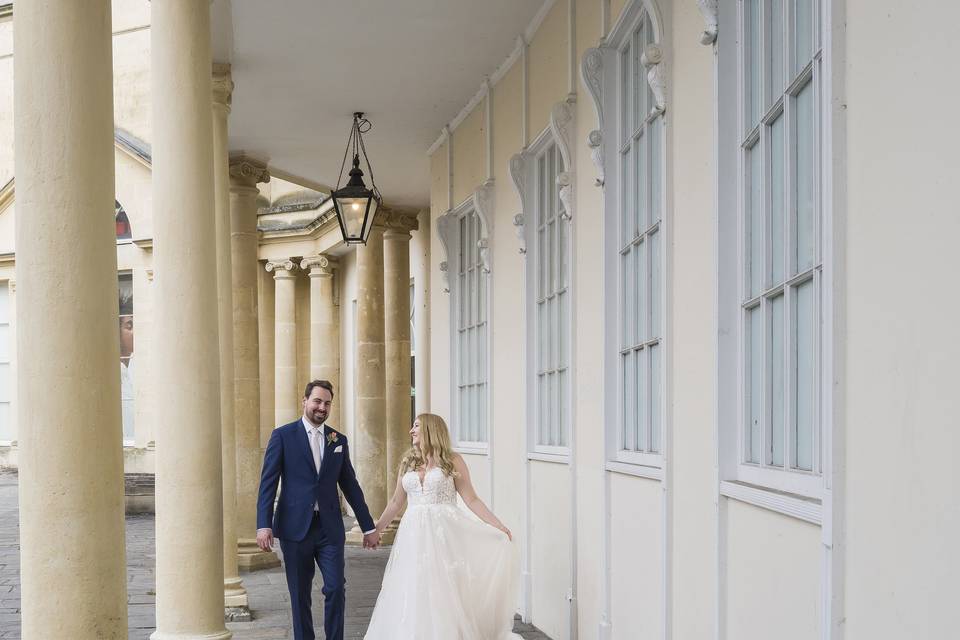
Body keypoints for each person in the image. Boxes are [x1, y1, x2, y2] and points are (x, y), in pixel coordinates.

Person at [363, 413, 520, 640]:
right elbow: (397, 501)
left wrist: (498, 526)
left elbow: (472, 499)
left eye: (416, 426)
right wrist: (376, 530)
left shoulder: (452, 461)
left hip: (443, 535)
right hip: (413, 535)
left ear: (430, 429)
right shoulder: (408, 462)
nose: (411, 431)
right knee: (412, 584)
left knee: (444, 587)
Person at [256, 380, 381, 640]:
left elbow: (351, 486)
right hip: (294, 529)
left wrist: (369, 527)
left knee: (336, 588)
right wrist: (263, 524)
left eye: (327, 403)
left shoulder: (338, 440)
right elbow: (268, 484)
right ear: (305, 401)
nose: (322, 407)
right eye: (317, 401)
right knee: (299, 595)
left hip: (329, 529)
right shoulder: (283, 436)